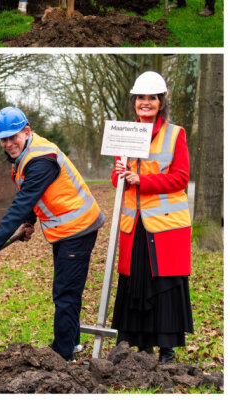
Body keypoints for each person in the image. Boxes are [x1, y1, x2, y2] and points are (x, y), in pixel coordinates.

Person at [0, 106, 105, 362]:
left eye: (13, 137)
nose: (9, 143)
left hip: (78, 228)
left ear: (27, 131)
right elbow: (30, 194)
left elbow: (23, 201)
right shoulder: (27, 154)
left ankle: (63, 353)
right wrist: (29, 222)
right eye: (3, 139)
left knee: (65, 292)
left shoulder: (40, 160)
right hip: (66, 229)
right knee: (67, 290)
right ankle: (72, 342)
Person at [110, 71, 194, 364]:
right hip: (134, 226)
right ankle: (141, 346)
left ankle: (166, 350)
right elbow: (116, 175)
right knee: (136, 283)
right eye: (141, 98)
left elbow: (181, 178)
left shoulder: (175, 133)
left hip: (165, 224)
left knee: (164, 286)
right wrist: (120, 176)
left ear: (161, 102)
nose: (146, 103)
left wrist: (140, 180)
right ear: (134, 101)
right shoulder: (125, 132)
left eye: (152, 98)